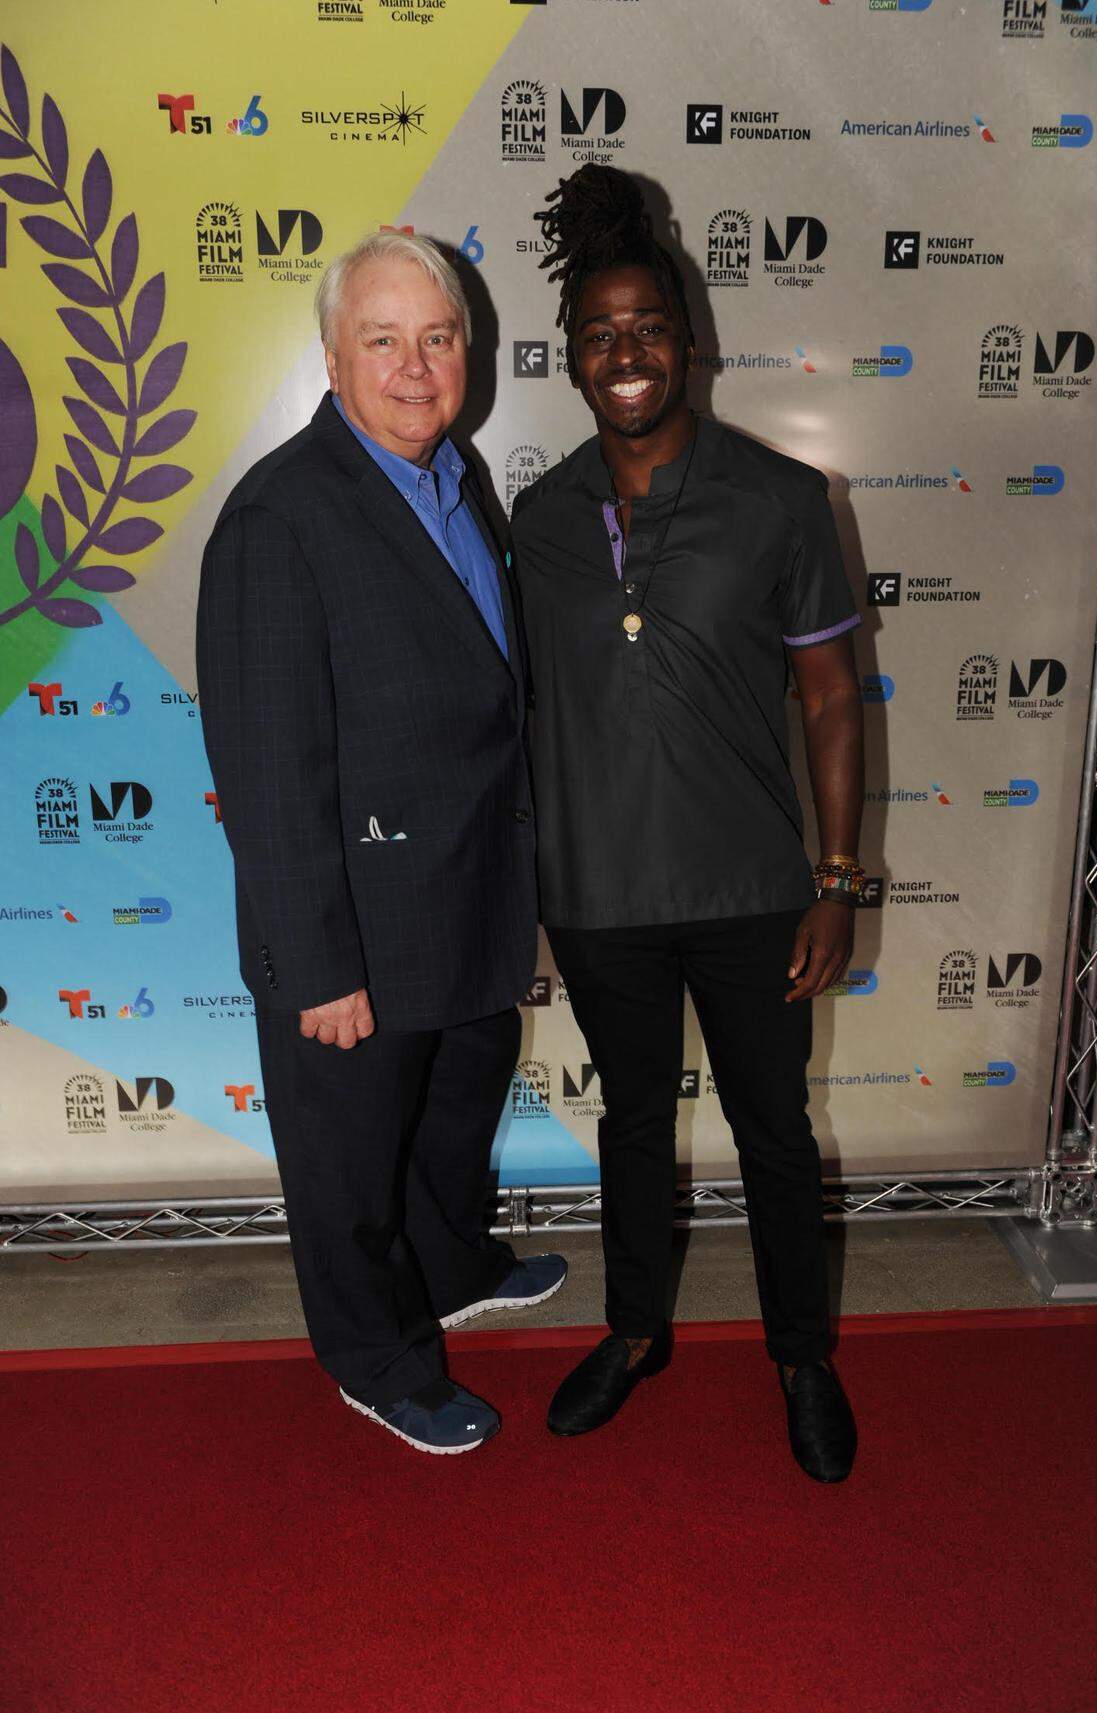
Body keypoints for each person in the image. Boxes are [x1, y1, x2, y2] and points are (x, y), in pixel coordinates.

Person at [509, 168, 863, 1482]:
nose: (626, 353)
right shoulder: (538, 523)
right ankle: (634, 1331)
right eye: (599, 334)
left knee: (776, 1128)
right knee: (632, 1128)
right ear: (574, 359)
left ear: (691, 339)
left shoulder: (779, 499)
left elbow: (830, 697)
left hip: (754, 890)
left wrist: (836, 878)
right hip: (599, 896)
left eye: (646, 326)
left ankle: (801, 1358)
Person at [197, 230, 565, 1456]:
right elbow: (266, 770)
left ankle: (451, 1268)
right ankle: (377, 1356)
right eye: (383, 340)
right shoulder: (281, 518)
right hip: (354, 923)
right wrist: (319, 967)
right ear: (331, 357)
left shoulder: (460, 479)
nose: (416, 368)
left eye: (439, 338)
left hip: (468, 896)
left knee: (453, 1117)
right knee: (349, 1166)